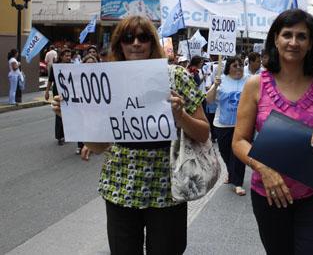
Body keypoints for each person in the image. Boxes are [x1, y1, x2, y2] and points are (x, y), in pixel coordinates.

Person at [52, 16, 209, 254]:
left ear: (152, 42)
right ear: (119, 44)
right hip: (120, 186)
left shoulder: (176, 76)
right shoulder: (108, 82)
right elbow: (99, 146)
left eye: (143, 37)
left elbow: (204, 133)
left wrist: (181, 117)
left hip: (168, 188)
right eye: (128, 37)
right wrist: (72, 117)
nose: (136, 43)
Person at [232, 9, 313, 254]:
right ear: (276, 39)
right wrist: (263, 169)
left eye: (302, 36)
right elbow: (239, 141)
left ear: (311, 44)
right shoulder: (256, 85)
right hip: (270, 195)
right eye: (287, 34)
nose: (293, 42)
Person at [206, 55, 249, 196]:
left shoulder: (248, 80)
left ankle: (237, 183)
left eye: (241, 65)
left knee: (238, 154)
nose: (238, 68)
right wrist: (215, 86)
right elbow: (209, 100)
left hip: (241, 124)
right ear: (228, 67)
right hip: (222, 124)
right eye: (235, 65)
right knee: (225, 152)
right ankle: (231, 173)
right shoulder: (221, 80)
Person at [45, 48, 72, 145]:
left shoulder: (72, 66)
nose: (69, 57)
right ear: (61, 56)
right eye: (66, 55)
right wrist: (47, 91)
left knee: (68, 114)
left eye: (70, 55)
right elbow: (50, 80)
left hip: (69, 92)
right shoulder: (55, 66)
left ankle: (67, 134)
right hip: (58, 92)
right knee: (59, 113)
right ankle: (59, 136)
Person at [74, 53, 99, 155]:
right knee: (81, 125)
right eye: (88, 63)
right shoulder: (78, 77)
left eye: (92, 63)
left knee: (91, 125)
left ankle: (92, 145)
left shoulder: (98, 76)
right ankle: (80, 146)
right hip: (81, 105)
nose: (90, 65)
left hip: (93, 106)